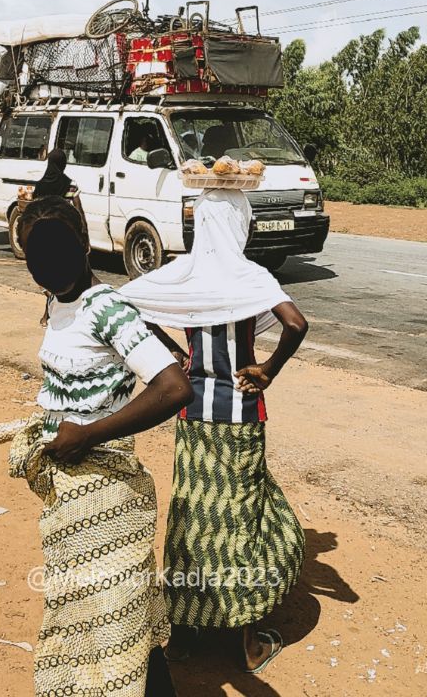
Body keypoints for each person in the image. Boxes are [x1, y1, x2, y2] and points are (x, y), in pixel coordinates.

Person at [7, 195, 192, 697]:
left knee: (118, 622)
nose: (44, 273)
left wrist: (88, 433)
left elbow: (174, 386)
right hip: (69, 497)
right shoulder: (58, 299)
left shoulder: (106, 307)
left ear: (83, 245)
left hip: (109, 494)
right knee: (98, 622)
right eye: (35, 262)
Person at [119, 189, 307, 674]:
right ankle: (247, 642)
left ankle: (182, 636)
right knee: (240, 523)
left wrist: (175, 358)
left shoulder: (183, 274)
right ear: (239, 224)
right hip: (241, 417)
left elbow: (129, 308)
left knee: (192, 520)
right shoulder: (250, 276)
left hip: (192, 419)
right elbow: (296, 323)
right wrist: (268, 368)